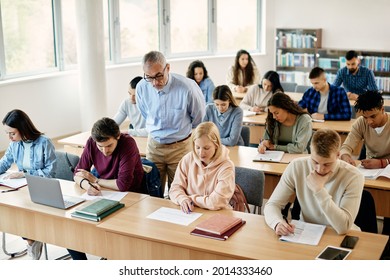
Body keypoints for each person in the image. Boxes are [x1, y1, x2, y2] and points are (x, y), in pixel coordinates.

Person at [68, 117, 145, 260]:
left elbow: (122, 185)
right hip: (105, 194)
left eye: (109, 145)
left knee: (113, 236)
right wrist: (88, 185)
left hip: (131, 198)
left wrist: (95, 180)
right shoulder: (92, 142)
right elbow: (77, 174)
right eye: (100, 146)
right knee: (70, 232)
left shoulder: (128, 143)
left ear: (118, 137)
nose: (104, 151)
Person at [264, 128, 364, 236]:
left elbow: (343, 227)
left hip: (338, 235)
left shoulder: (354, 176)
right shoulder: (296, 166)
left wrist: (319, 190)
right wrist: (277, 223)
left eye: (327, 164)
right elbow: (272, 204)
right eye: (315, 162)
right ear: (310, 150)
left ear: (338, 155)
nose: (319, 169)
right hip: (306, 232)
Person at [136, 51, 205, 193]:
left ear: (167, 68)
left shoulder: (187, 87)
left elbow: (198, 118)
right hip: (154, 146)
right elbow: (145, 113)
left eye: (158, 76)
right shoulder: (142, 87)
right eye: (149, 77)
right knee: (152, 193)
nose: (155, 83)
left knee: (180, 194)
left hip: (180, 147)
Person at [0, 109, 56, 260]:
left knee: (23, 212)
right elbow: (4, 163)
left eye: (12, 133)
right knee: (13, 210)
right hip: (22, 189)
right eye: (7, 133)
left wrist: (26, 175)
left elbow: (50, 172)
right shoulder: (15, 144)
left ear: (23, 129)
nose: (9, 137)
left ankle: (32, 241)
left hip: (43, 189)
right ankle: (32, 240)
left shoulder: (44, 143)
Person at [339, 91, 390, 236]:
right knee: (363, 204)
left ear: (382, 109)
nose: (369, 122)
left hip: (387, 173)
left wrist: (382, 162)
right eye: (365, 117)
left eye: (373, 116)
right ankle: (369, 236)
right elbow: (346, 146)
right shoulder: (361, 123)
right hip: (370, 174)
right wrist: (346, 156)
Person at [169, 122, 235, 213]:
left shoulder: (226, 166)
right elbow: (175, 188)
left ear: (216, 146)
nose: (201, 153)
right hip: (191, 213)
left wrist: (190, 199)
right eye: (197, 147)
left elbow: (215, 202)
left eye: (206, 148)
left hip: (218, 214)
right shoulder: (187, 159)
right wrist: (183, 199)